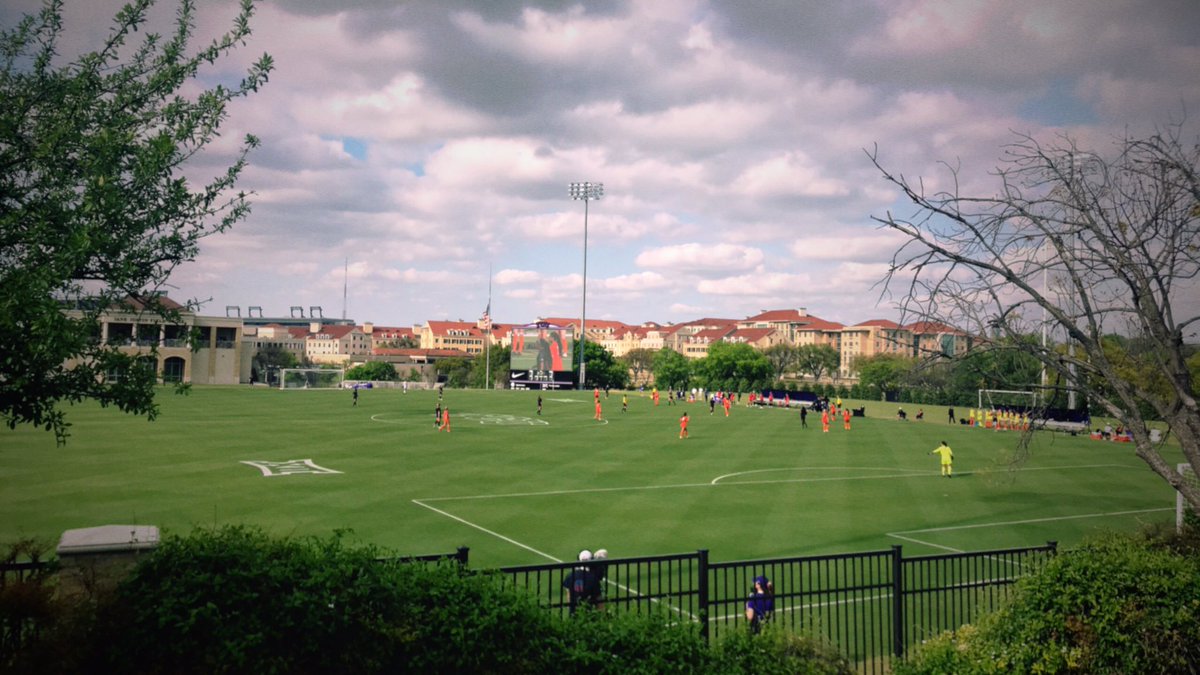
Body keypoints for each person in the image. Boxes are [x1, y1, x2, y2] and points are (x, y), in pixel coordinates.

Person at [562, 550, 600, 614]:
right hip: (588, 614)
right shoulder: (593, 578)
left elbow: (568, 595)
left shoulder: (570, 576)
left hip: (573, 612)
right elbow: (599, 599)